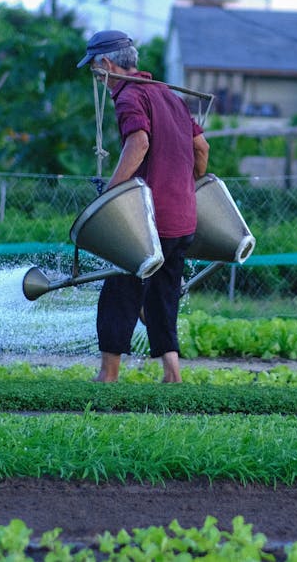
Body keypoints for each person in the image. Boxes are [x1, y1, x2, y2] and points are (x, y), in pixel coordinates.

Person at [78, 30, 209, 383]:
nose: (99, 80)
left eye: (95, 70)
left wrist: (112, 194)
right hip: (183, 220)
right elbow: (202, 150)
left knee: (118, 293)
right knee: (162, 298)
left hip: (148, 221)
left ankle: (108, 374)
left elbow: (138, 142)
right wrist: (185, 184)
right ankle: (172, 373)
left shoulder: (130, 96)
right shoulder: (169, 95)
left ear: (107, 64)